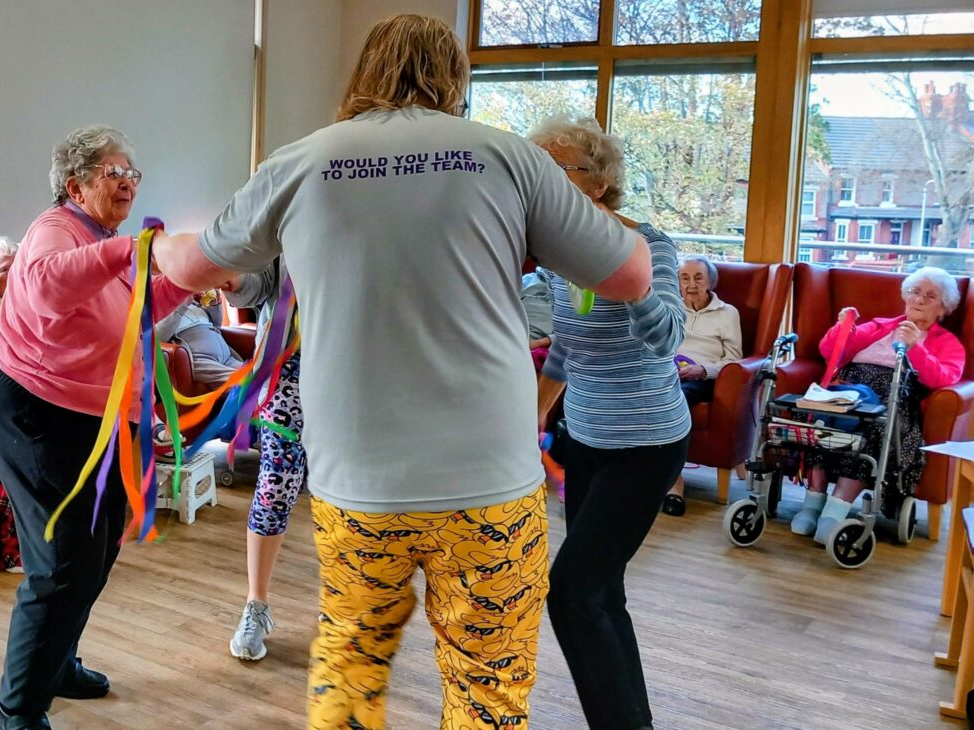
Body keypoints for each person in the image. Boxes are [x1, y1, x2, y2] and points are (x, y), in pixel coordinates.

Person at [151, 15, 652, 729]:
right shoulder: (508, 157)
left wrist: (160, 241)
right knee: (487, 695)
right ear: (456, 79)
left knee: (349, 679)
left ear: (364, 72)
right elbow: (632, 274)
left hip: (360, 487)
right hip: (490, 488)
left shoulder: (301, 161)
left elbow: (194, 266)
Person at [0, 125, 189, 730]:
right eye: (113, 172)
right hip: (33, 410)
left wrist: (198, 275)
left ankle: (57, 660)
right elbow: (45, 287)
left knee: (96, 554)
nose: (127, 182)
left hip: (93, 416)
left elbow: (142, 303)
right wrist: (130, 252)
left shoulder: (106, 239)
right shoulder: (56, 232)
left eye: (132, 173)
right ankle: (16, 712)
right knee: (63, 563)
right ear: (75, 185)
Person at [531, 116, 689, 730]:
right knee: (603, 593)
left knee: (571, 593)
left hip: (647, 443)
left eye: (555, 169)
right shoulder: (555, 260)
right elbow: (568, 348)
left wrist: (627, 280)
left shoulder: (648, 244)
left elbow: (668, 337)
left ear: (597, 185)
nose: (540, 182)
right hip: (587, 441)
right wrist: (534, 418)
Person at [790, 266, 965, 544]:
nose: (919, 299)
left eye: (930, 296)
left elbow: (944, 377)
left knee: (872, 427)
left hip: (893, 398)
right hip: (846, 388)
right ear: (905, 296)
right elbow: (830, 352)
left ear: (943, 308)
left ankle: (835, 511)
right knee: (822, 418)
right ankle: (812, 502)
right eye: (914, 292)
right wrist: (841, 327)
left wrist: (914, 346)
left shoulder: (947, 343)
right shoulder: (880, 325)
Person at [223, 257, 306, 661]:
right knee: (274, 487)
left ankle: (357, 611)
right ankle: (256, 605)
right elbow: (261, 281)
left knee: (355, 493)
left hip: (357, 372)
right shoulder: (292, 200)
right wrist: (233, 277)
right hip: (284, 368)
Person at [662, 254, 742, 516]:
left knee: (675, 400)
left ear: (710, 282)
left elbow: (734, 361)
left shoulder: (727, 313)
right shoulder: (670, 307)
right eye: (684, 278)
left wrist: (703, 370)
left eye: (698, 278)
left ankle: (674, 483)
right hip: (666, 373)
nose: (691, 284)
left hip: (704, 379)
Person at [155, 289, 244, 388]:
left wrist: (214, 306)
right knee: (247, 385)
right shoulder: (158, 305)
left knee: (260, 379)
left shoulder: (195, 303)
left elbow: (216, 326)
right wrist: (182, 303)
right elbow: (158, 337)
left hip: (227, 357)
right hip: (201, 359)